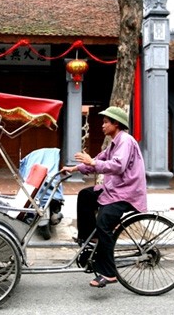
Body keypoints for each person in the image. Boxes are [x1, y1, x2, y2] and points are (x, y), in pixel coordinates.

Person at [61, 106, 147, 288]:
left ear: (116, 124)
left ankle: (108, 273)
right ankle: (89, 239)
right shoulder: (114, 142)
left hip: (126, 192)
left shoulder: (125, 141)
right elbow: (97, 161)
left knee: (104, 223)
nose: (102, 125)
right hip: (113, 188)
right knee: (85, 195)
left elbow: (117, 166)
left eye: (106, 122)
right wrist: (74, 168)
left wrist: (93, 162)